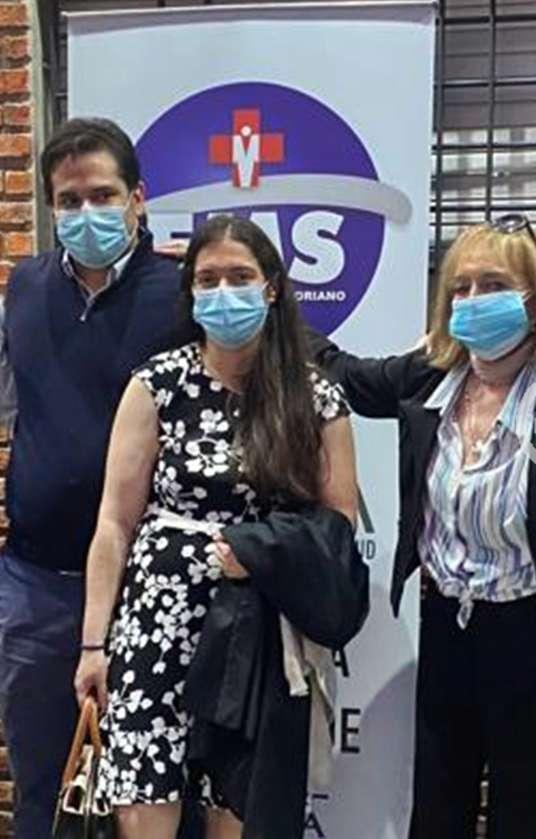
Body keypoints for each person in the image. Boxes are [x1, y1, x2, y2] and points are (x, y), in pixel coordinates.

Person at [313, 216, 536, 839]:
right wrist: (269, 297)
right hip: (446, 630)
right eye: (459, 288)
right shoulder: (430, 376)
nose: (471, 300)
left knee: (528, 819)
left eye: (493, 285)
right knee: (436, 813)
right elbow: (343, 373)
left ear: (535, 298)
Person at [73, 215, 360, 838]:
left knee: (240, 810)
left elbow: (338, 527)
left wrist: (262, 552)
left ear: (272, 288)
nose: (223, 292)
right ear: (190, 292)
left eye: (240, 276)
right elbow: (114, 524)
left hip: (258, 633)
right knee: (144, 802)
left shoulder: (313, 396)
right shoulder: (156, 384)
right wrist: (94, 645)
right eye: (208, 279)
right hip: (157, 625)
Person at [0, 117, 191, 839]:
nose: (87, 213)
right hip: (38, 584)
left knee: (152, 790)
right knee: (43, 786)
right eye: (69, 200)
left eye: (103, 196)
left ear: (138, 198)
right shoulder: (25, 286)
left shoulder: (179, 291)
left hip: (150, 588)